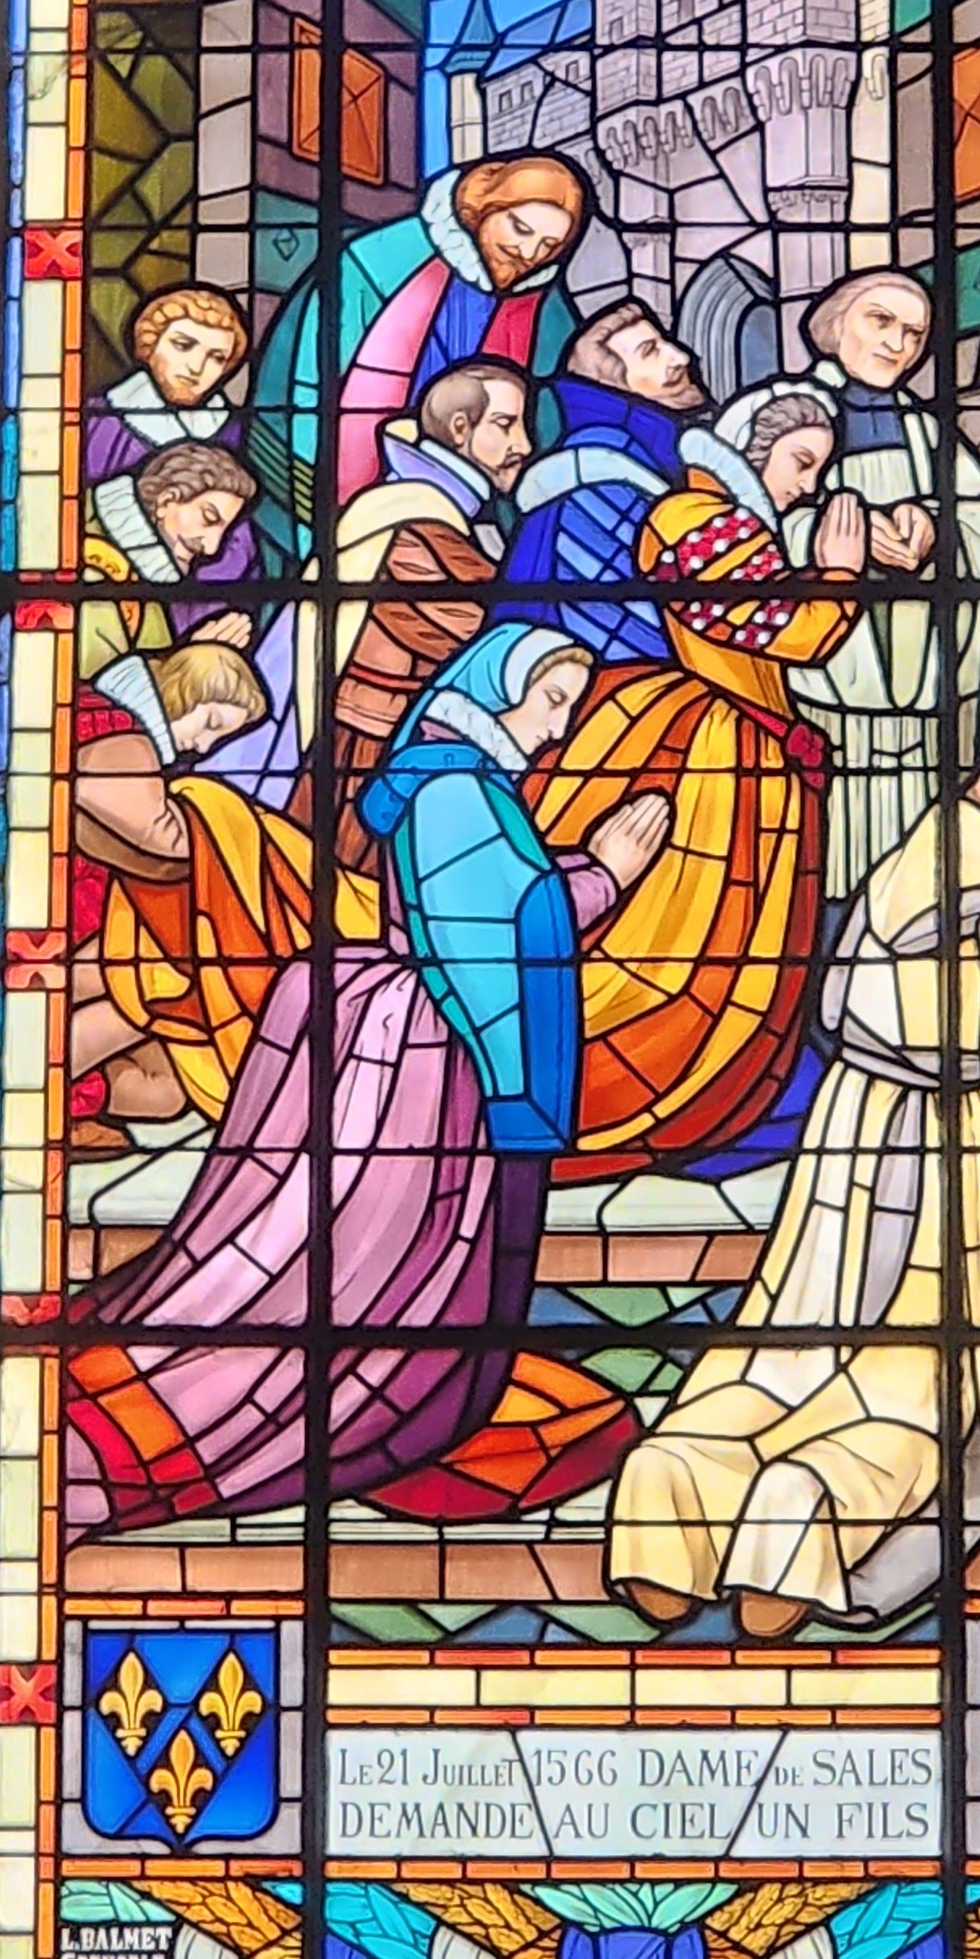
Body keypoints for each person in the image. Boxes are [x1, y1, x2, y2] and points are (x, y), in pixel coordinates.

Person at [53, 628, 672, 1533]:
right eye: (550, 700)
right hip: (427, 1053)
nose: (557, 725)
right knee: (386, 1247)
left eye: (569, 706)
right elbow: (494, 926)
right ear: (498, 691)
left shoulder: (459, 780)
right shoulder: (456, 789)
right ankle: (366, 1394)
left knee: (365, 1248)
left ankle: (403, 1386)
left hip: (411, 1034)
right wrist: (603, 873)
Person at [607, 742, 980, 1637]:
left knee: (790, 1351)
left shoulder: (897, 881)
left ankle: (675, 1504)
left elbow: (837, 1006)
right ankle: (800, 1526)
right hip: (969, 1156)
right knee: (936, 1376)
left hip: (853, 1146)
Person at [528, 384, 867, 1172]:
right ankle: (635, 1087)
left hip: (725, 734)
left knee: (714, 942)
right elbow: (789, 631)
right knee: (678, 939)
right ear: (751, 450)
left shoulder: (726, 520)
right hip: (706, 748)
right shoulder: (699, 518)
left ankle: (717, 1085)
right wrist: (839, 575)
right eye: (801, 461)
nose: (808, 485)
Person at [760, 266, 980, 896]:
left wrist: (936, 525)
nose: (898, 344)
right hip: (825, 698)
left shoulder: (926, 430)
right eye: (881, 322)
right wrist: (838, 534)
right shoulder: (780, 414)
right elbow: (747, 523)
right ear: (835, 324)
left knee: (925, 878)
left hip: (926, 702)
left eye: (915, 334)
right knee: (828, 868)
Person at [249, 153, 588, 548]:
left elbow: (557, 411)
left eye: (549, 245)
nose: (529, 254)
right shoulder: (379, 262)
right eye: (520, 228)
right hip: (351, 485)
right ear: (482, 205)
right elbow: (309, 380)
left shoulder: (546, 310)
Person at [55, 638, 308, 1152]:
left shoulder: (127, 735)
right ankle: (44, 1090)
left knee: (167, 1088)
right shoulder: (118, 735)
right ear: (183, 690)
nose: (202, 744)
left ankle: (65, 1099)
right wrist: (225, 816)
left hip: (99, 914)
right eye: (210, 722)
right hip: (69, 917)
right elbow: (165, 838)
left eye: (219, 739)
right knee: (155, 986)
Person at [307, 358, 533, 860]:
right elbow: (476, 627)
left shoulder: (460, 521)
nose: (524, 445)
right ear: (460, 429)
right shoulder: (415, 525)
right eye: (506, 424)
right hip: (371, 749)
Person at [494, 297, 707, 665]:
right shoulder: (601, 482)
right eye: (650, 352)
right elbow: (624, 626)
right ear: (609, 385)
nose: (679, 358)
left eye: (665, 344)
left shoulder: (649, 457)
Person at [76, 439, 261, 683]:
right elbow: (94, 685)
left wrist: (190, 656)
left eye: (224, 530)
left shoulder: (145, 584)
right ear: (166, 501)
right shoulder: (95, 569)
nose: (212, 547)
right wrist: (186, 662)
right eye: (209, 517)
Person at [80, 282, 256, 517]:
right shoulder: (96, 420)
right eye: (183, 345)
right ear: (149, 344)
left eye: (216, 357)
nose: (196, 367)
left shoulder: (234, 432)